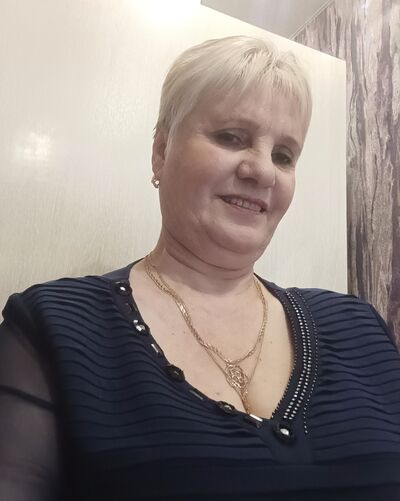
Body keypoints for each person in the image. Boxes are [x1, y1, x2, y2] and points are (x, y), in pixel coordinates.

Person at [0, 35, 399, 501]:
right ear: (161, 150)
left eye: (284, 155)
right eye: (232, 137)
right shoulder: (54, 326)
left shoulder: (359, 328)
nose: (263, 170)